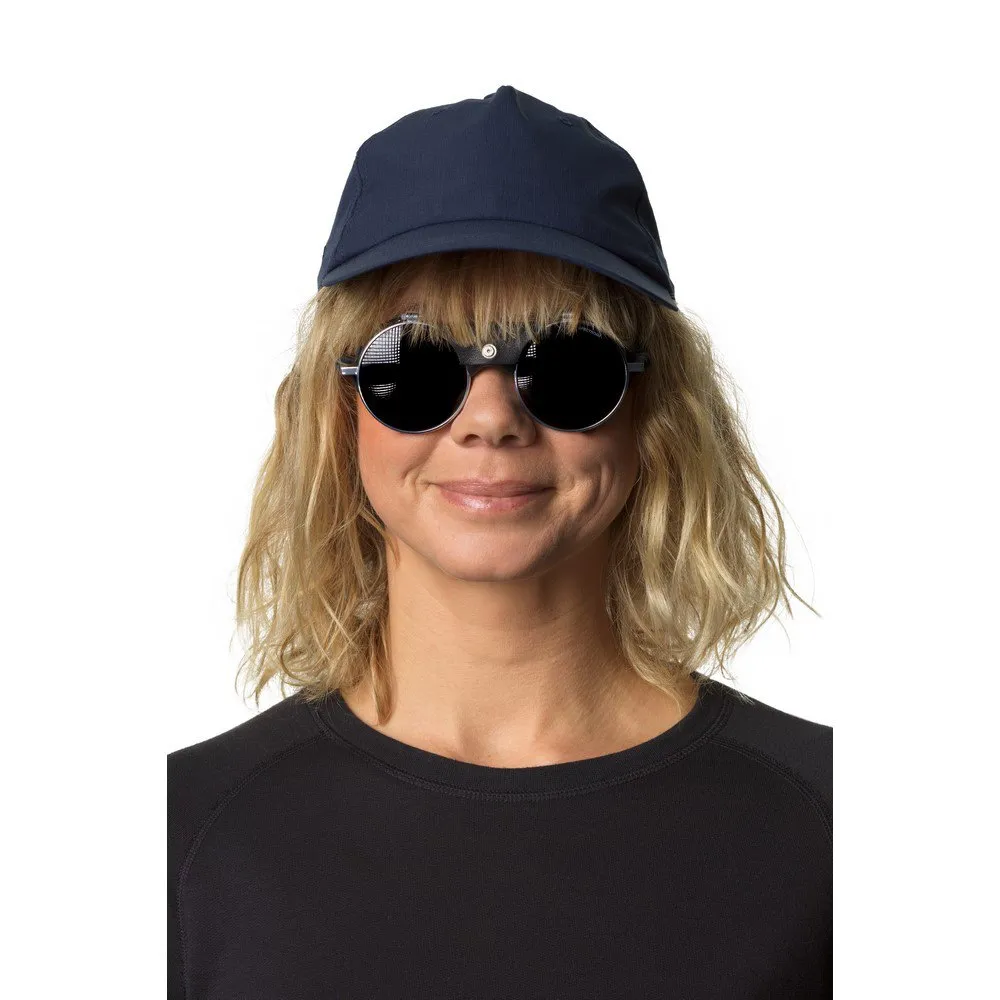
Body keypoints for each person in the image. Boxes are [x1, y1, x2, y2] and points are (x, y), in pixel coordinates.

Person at [168, 85, 832, 999]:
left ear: (655, 410)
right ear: (338, 411)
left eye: (566, 366)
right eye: (415, 366)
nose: (491, 417)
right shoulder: (184, 840)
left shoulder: (836, 832)